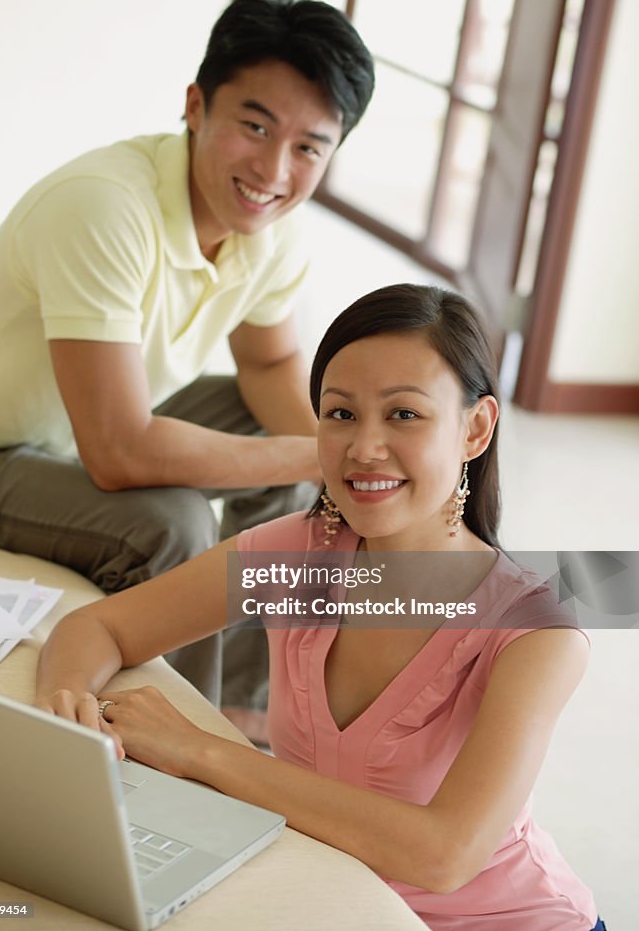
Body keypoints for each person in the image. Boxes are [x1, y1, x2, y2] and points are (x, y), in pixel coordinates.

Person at [36, 283, 604, 931]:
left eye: (403, 415)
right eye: (340, 415)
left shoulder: (538, 632)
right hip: (330, 901)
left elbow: (443, 855)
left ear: (474, 428)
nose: (363, 448)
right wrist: (65, 709)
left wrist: (202, 751)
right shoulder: (300, 554)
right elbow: (101, 625)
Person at [0, 0, 375, 710]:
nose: (274, 171)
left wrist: (335, 461)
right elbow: (118, 451)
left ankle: (246, 711)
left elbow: (270, 365)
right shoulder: (102, 205)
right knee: (176, 522)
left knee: (308, 439)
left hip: (75, 432)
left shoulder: (268, 231)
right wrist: (320, 455)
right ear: (194, 105)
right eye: (254, 125)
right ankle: (188, 746)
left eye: (308, 147)